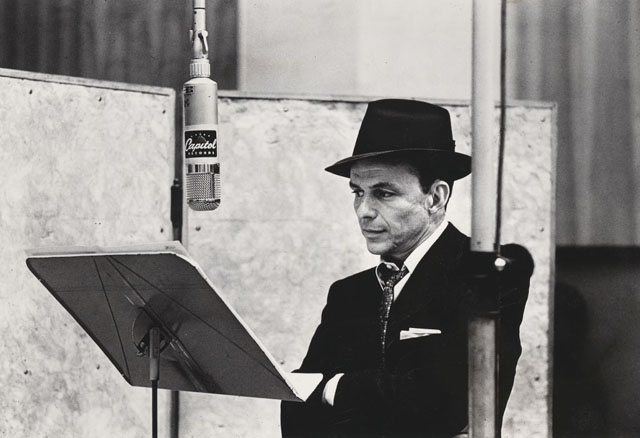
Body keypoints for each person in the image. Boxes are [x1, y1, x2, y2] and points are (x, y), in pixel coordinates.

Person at [280, 99, 532, 437]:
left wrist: (332, 388)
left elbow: (445, 404)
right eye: (358, 192)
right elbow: (296, 410)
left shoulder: (487, 274)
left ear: (436, 197)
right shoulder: (347, 295)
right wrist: (387, 396)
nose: (363, 211)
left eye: (383, 193)